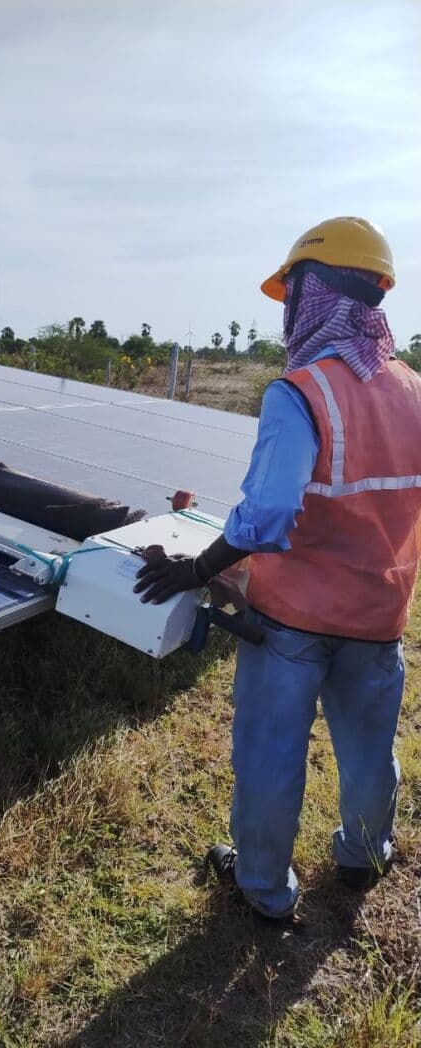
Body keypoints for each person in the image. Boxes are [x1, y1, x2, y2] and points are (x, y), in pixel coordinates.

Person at [134, 217, 421, 925]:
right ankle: (362, 856)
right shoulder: (414, 391)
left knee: (269, 760)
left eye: (292, 290)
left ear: (313, 293)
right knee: (367, 754)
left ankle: (264, 888)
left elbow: (265, 516)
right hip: (380, 618)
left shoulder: (301, 392)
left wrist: (199, 567)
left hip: (290, 623)